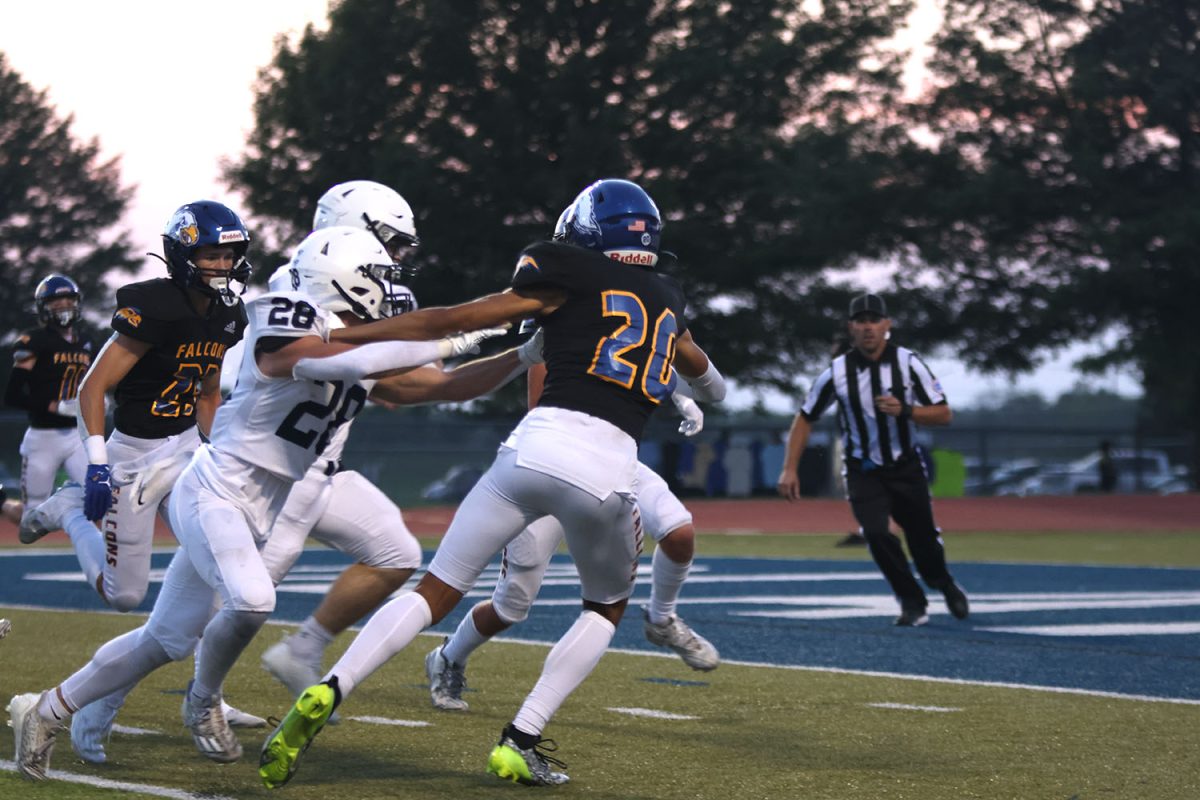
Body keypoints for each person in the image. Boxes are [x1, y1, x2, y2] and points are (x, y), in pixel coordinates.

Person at [258, 178, 720, 789]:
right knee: (605, 607)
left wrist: (343, 339)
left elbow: (450, 320)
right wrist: (696, 395)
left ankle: (331, 685)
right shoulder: (669, 296)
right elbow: (707, 376)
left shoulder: (562, 269)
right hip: (606, 466)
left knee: (435, 589)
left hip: (530, 449)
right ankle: (520, 738)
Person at [6, 224, 505, 780]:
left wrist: (522, 353)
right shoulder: (283, 315)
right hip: (215, 489)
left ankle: (47, 709)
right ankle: (202, 699)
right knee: (250, 599)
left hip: (263, 503)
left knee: (166, 638)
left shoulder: (353, 345)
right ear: (346, 277)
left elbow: (444, 386)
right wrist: (454, 333)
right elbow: (328, 361)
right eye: (378, 276)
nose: (385, 289)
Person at [424, 341, 724, 712]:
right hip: (549, 465)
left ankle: (661, 618)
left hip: (613, 467)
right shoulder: (561, 334)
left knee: (678, 530)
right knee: (511, 605)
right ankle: (448, 656)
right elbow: (546, 407)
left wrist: (682, 395)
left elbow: (646, 365)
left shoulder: (624, 323)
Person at [18, 202, 250, 620]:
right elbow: (92, 389)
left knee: (218, 549)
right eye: (211, 255)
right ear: (183, 256)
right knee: (123, 596)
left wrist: (217, 454)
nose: (223, 265)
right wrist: (97, 466)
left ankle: (200, 672)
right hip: (133, 455)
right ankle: (71, 512)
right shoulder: (155, 304)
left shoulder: (229, 313)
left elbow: (208, 394)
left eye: (228, 256)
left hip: (184, 450)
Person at [776, 293, 969, 627]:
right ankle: (911, 600)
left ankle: (942, 581)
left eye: (874, 321)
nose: (868, 328)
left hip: (906, 466)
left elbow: (944, 414)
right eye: (861, 321)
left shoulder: (908, 363)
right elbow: (805, 416)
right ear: (851, 327)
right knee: (877, 534)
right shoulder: (837, 372)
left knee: (923, 540)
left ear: (887, 325)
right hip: (863, 469)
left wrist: (906, 410)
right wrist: (790, 467)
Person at [3, 275, 94, 531]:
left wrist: (100, 399)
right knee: (30, 518)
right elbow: (12, 394)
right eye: (56, 301)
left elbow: (94, 383)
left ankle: (67, 508)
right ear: (44, 306)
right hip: (43, 436)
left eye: (68, 299)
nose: (63, 305)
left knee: (97, 495)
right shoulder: (33, 341)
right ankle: (2, 503)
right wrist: (52, 406)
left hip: (78, 434)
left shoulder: (87, 342)